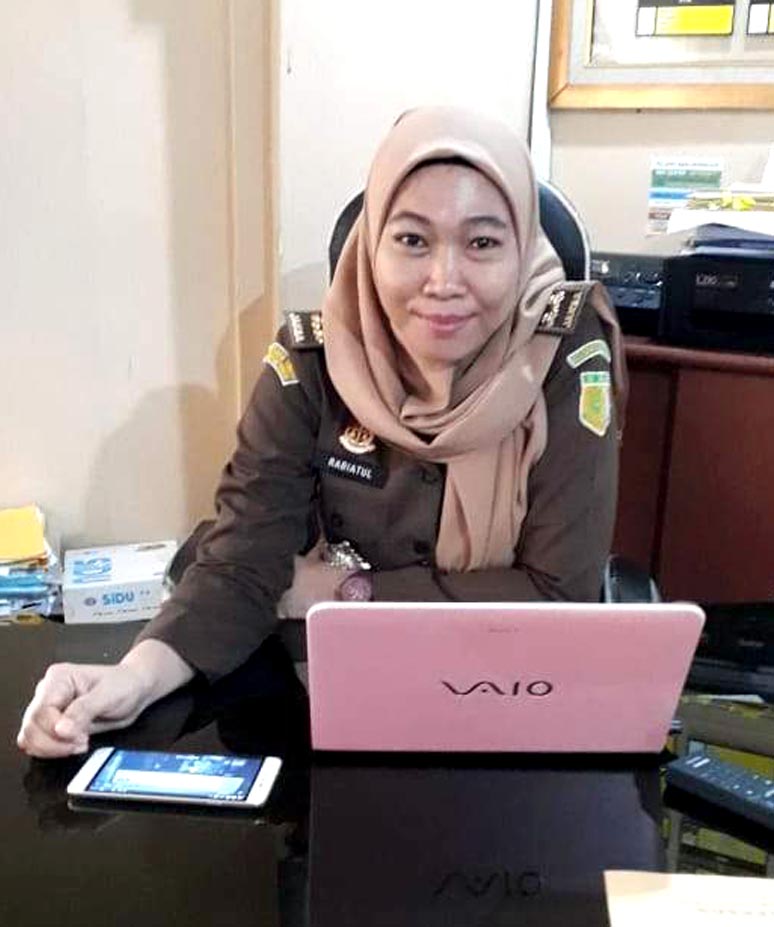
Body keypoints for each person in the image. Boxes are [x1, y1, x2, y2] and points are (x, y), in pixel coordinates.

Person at [17, 107, 626, 759]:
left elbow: (557, 593)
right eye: (412, 240)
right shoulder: (311, 358)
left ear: (523, 247)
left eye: (482, 243)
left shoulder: (564, 355)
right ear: (370, 245)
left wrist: (343, 593)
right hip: (325, 690)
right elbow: (244, 561)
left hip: (500, 693)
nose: (444, 281)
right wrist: (132, 679)